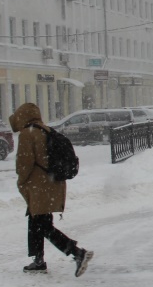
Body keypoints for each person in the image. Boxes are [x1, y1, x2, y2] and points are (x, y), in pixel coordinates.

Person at [9, 102, 93, 277]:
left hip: (39, 186)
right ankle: (38, 261)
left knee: (42, 225)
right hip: (51, 184)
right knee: (36, 222)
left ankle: (77, 253)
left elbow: (24, 164)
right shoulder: (45, 130)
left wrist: (21, 182)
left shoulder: (27, 134)